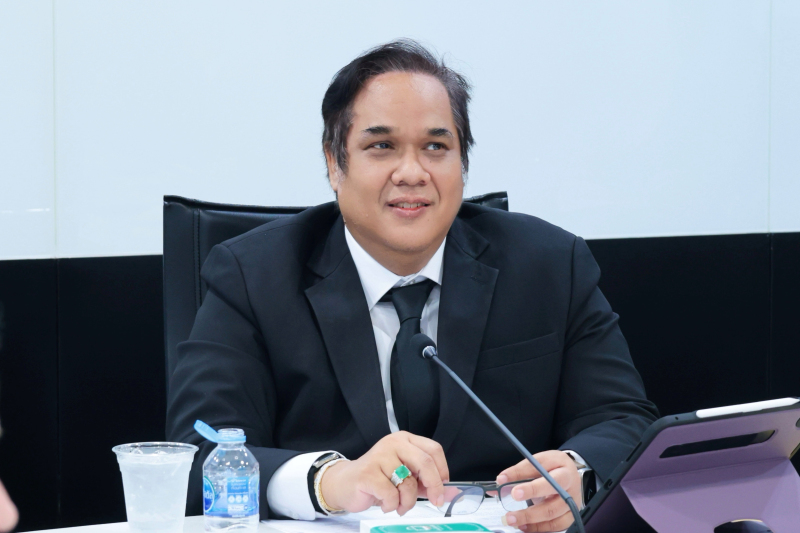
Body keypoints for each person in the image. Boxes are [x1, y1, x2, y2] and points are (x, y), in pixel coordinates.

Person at [166, 39, 658, 532]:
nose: (412, 173)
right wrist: (329, 481)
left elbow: (623, 420)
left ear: (462, 164)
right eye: (382, 146)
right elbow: (196, 452)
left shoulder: (548, 265)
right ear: (335, 163)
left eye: (435, 147)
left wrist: (580, 472)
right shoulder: (253, 275)